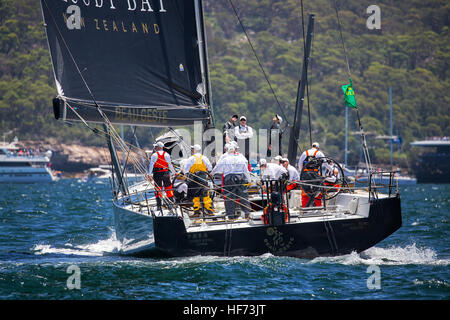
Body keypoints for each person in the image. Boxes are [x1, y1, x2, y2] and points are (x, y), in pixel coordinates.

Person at [211, 144, 250, 219]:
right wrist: (249, 180)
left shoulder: (225, 159)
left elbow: (218, 168)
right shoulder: (240, 158)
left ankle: (230, 216)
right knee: (243, 197)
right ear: (235, 151)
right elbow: (246, 171)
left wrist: (212, 173)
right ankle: (247, 214)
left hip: (229, 179)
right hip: (240, 178)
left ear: (228, 152)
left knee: (229, 198)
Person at [184, 144, 214, 216]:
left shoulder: (191, 159)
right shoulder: (204, 158)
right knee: (205, 195)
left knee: (195, 196)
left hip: (194, 180)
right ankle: (210, 211)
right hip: (203, 179)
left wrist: (187, 176)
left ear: (194, 150)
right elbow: (210, 168)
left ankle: (197, 212)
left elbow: (185, 170)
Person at [147, 141, 175, 212]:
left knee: (158, 189)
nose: (155, 148)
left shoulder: (154, 155)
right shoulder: (167, 155)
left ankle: (159, 206)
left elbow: (151, 165)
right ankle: (171, 205)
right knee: (168, 188)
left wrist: (149, 175)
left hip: (157, 174)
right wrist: (175, 173)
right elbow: (170, 165)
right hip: (166, 173)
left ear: (158, 147)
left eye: (156, 147)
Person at [297, 142, 325, 208]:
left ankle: (305, 208)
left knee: (305, 192)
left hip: (305, 174)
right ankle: (318, 208)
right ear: (317, 148)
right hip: (314, 175)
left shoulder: (304, 153)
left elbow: (300, 164)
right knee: (317, 191)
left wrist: (303, 172)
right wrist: (331, 169)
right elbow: (325, 162)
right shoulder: (319, 153)